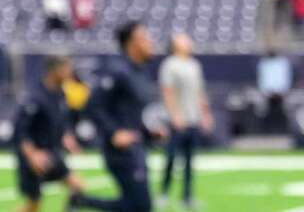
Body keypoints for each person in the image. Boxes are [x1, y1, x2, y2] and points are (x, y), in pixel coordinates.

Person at [71, 21, 161, 212]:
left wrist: (149, 132)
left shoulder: (139, 72)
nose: (150, 42)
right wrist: (114, 133)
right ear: (131, 43)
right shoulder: (117, 70)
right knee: (140, 206)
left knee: (137, 206)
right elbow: (92, 105)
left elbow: (131, 113)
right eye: (144, 38)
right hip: (121, 152)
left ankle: (81, 201)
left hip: (136, 147)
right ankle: (81, 201)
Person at [14, 55, 86, 212]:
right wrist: (32, 155)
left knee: (78, 187)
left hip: (53, 154)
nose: (70, 73)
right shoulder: (35, 96)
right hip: (35, 157)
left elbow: (62, 121)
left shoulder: (60, 93)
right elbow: (21, 130)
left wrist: (67, 137)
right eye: (66, 68)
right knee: (33, 205)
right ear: (55, 70)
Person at [158, 33, 212, 210]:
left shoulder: (194, 65)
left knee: (189, 161)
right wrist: (174, 116)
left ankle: (187, 197)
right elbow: (167, 92)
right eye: (183, 39)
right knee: (172, 158)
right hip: (177, 121)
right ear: (175, 45)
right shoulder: (170, 65)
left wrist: (205, 114)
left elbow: (200, 93)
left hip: (193, 119)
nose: (188, 41)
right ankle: (164, 193)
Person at [257, 49, 292, 134]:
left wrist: (283, 90)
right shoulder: (263, 63)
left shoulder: (283, 62)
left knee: (282, 112)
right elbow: (262, 78)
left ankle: (283, 131)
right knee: (265, 112)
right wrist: (265, 91)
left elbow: (286, 76)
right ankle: (266, 131)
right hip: (268, 93)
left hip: (280, 92)